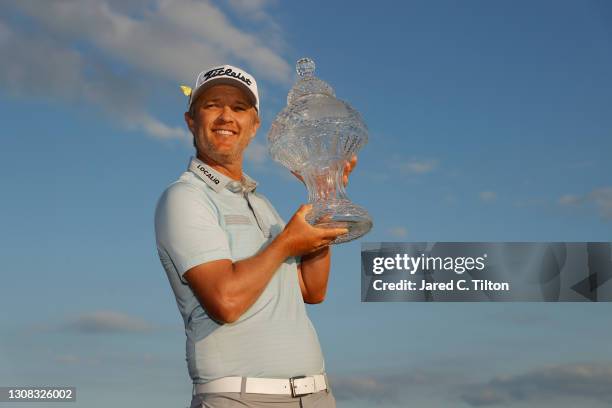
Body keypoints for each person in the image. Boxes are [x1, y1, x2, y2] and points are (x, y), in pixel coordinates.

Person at [154, 64, 356, 408]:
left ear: (254, 126)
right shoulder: (185, 197)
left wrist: (322, 198)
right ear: (191, 120)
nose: (225, 116)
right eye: (212, 104)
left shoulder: (261, 203)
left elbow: (312, 290)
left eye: (238, 107)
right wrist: (287, 243)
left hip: (316, 395)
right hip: (241, 397)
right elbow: (226, 301)